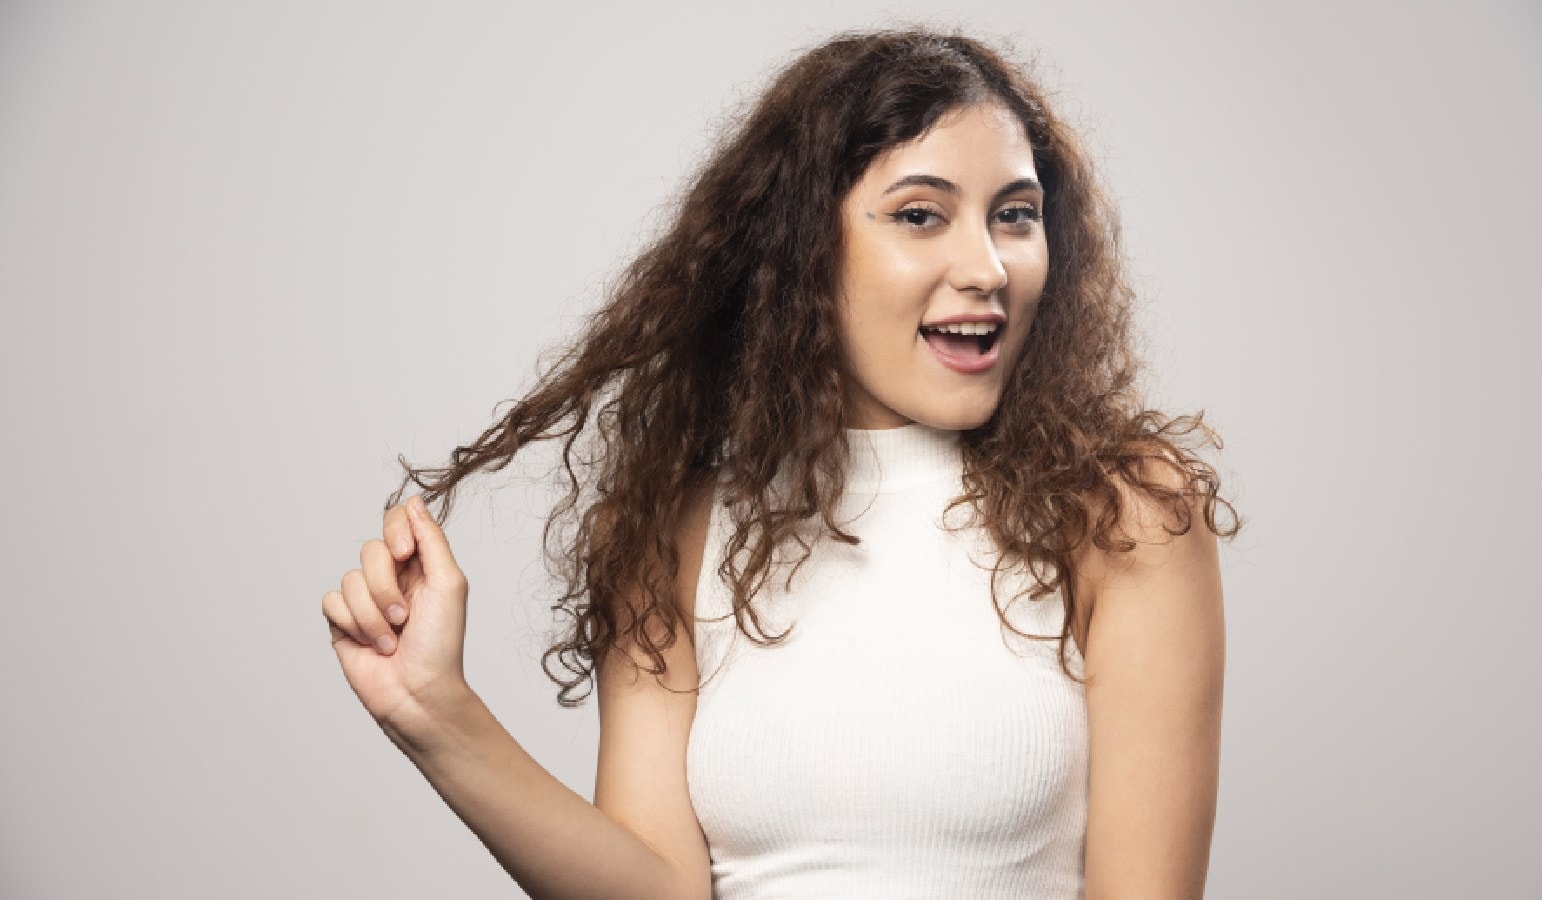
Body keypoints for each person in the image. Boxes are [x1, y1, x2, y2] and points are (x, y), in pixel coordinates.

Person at [321, 28, 1237, 899]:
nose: (988, 265)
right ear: (804, 252)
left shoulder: (1123, 516)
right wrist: (432, 711)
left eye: (1016, 216)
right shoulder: (673, 534)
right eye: (920, 215)